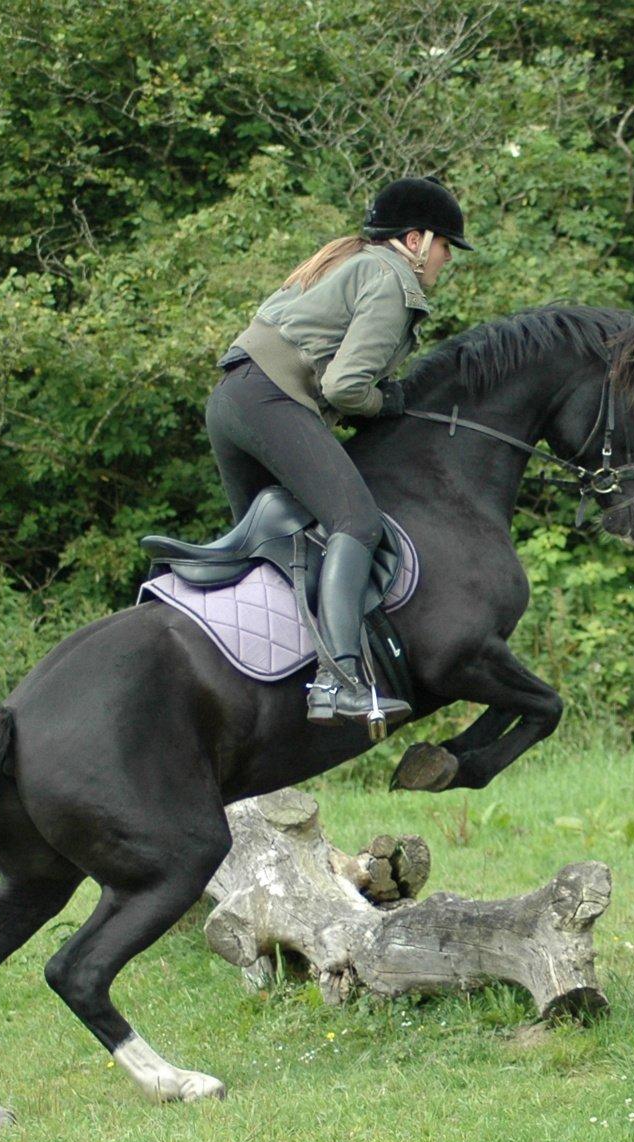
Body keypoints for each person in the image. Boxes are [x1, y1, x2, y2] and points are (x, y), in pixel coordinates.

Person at [205, 175, 473, 729]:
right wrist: (387, 401)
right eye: (447, 246)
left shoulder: (346, 262)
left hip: (233, 401)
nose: (447, 260)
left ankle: (255, 696)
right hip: (272, 403)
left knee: (281, 547)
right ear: (417, 239)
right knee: (356, 521)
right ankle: (338, 681)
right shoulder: (390, 276)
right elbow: (346, 389)